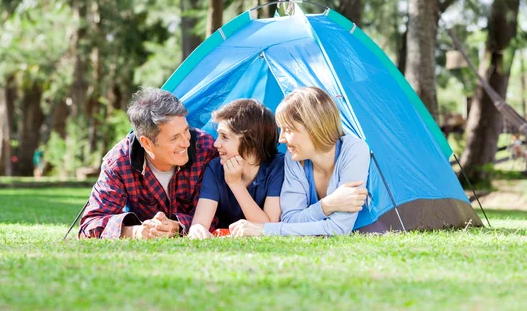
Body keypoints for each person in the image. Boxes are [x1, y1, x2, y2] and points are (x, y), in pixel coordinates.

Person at [229, 87, 370, 237]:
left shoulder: (354, 150)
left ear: (314, 128)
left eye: (288, 130)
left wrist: (265, 230)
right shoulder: (295, 158)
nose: (281, 139)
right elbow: (290, 219)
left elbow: (339, 228)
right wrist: (328, 204)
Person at [78, 88, 217, 239]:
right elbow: (89, 225)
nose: (186, 142)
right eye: (174, 138)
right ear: (146, 143)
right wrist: (136, 232)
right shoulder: (118, 163)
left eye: (186, 130)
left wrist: (177, 226)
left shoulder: (206, 150)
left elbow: (222, 214)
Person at [188, 99, 284, 239]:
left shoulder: (277, 167)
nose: (216, 144)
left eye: (225, 137)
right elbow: (200, 223)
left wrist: (235, 183)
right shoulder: (215, 168)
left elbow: (267, 227)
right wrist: (197, 229)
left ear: (251, 143)